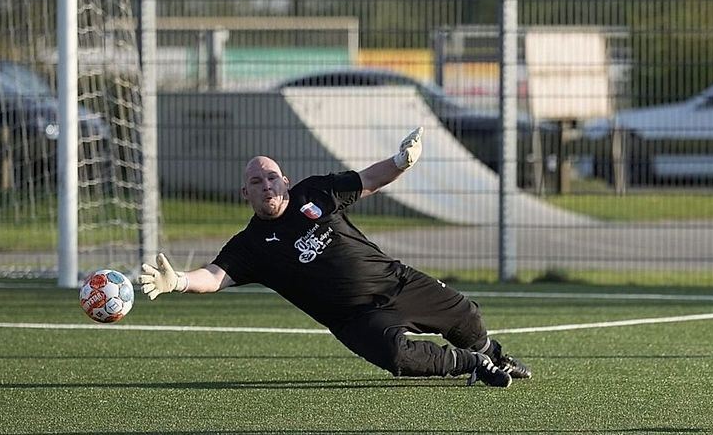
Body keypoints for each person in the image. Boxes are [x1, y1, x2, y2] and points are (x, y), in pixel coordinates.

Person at [140, 127, 531, 387]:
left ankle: (493, 356)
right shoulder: (251, 245)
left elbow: (369, 180)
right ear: (246, 194)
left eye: (271, 177)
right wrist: (176, 281)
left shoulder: (315, 192)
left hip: (397, 281)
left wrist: (401, 162)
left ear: (285, 181)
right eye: (255, 183)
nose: (266, 186)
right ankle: (472, 364)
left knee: (466, 313)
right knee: (398, 358)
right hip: (355, 318)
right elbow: (213, 276)